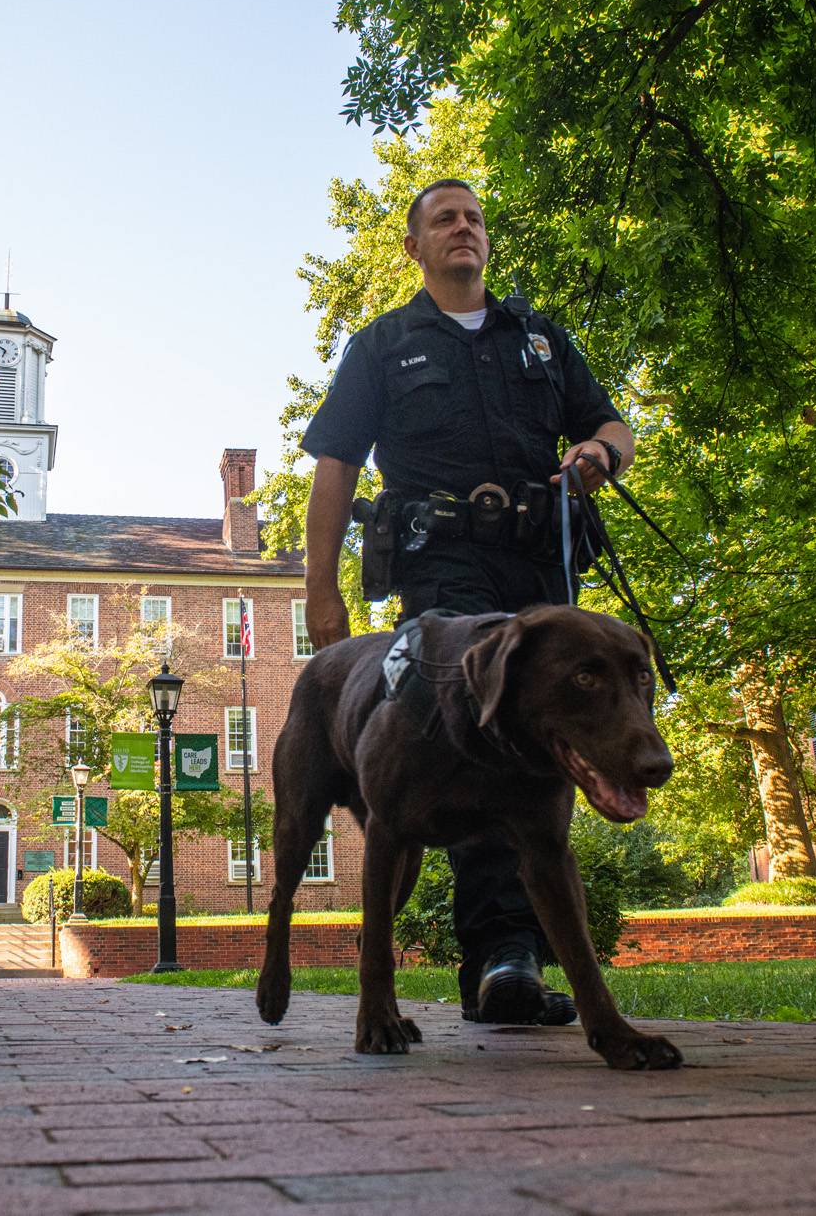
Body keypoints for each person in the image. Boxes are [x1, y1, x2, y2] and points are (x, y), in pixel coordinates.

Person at [299, 178, 636, 1025]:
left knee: (548, 752)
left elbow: (612, 424)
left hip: (540, 573)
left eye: (475, 217)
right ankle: (503, 959)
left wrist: (599, 450)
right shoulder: (381, 346)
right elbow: (334, 468)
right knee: (478, 742)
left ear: (488, 240)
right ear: (413, 245)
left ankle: (518, 951)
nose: (463, 228)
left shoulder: (540, 341)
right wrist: (322, 598)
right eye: (444, 218)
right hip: (441, 579)